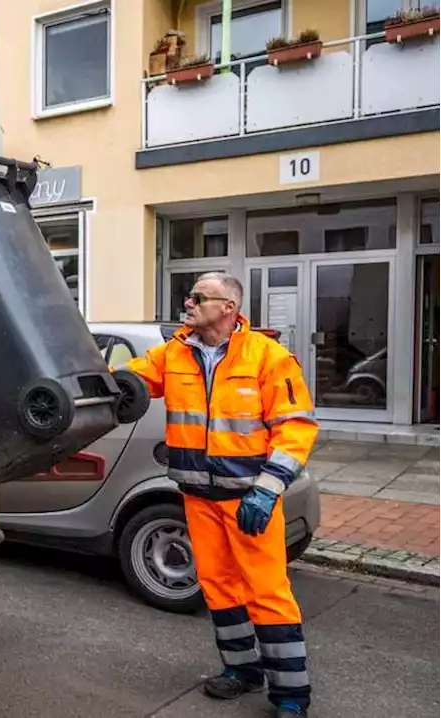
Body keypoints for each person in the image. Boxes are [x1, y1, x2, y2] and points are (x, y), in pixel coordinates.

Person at [124, 272, 318, 718]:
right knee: (218, 588)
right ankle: (242, 671)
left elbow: (296, 428)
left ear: (227, 307)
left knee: (267, 592)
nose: (187, 303)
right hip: (198, 497)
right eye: (188, 296)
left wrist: (268, 490)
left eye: (197, 298)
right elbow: (132, 382)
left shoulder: (267, 356)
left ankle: (291, 696)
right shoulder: (175, 352)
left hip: (248, 499)